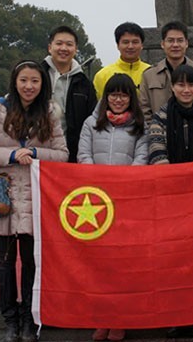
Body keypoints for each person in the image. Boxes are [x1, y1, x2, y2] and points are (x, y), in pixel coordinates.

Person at [0, 61, 69, 342]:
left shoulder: (50, 113)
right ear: (15, 82)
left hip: (36, 195)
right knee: (5, 261)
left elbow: (62, 154)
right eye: (24, 80)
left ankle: (29, 318)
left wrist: (35, 153)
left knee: (31, 262)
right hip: (2, 194)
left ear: (43, 85)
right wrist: (12, 156)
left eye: (35, 81)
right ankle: (10, 321)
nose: (29, 86)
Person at [148, 64, 193, 337]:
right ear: (173, 87)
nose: (186, 90)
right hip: (170, 197)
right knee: (172, 258)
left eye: (191, 85)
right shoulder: (161, 116)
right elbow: (156, 150)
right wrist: (172, 180)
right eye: (181, 85)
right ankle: (174, 315)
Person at [78, 73, 148, 341]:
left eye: (123, 95)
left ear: (131, 98)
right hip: (96, 203)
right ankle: (102, 318)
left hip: (127, 202)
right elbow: (83, 155)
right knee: (98, 266)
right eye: (113, 94)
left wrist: (123, 184)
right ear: (105, 96)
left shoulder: (140, 126)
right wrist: (98, 182)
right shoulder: (90, 124)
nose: (118, 100)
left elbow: (142, 158)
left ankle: (120, 319)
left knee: (124, 265)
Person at [139, 21, 193, 125]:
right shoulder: (149, 75)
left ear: (186, 43)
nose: (175, 45)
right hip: (160, 136)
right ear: (162, 44)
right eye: (170, 40)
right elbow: (144, 111)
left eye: (180, 40)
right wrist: (157, 131)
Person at [42, 25, 97, 162]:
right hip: (39, 151)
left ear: (76, 49)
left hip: (73, 153)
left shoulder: (84, 83)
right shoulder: (37, 76)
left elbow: (92, 119)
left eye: (69, 44)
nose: (64, 48)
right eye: (59, 43)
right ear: (50, 47)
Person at [93, 22, 151, 99]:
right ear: (117, 45)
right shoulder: (102, 75)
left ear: (142, 45)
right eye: (125, 42)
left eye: (135, 42)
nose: (130, 46)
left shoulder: (151, 72)